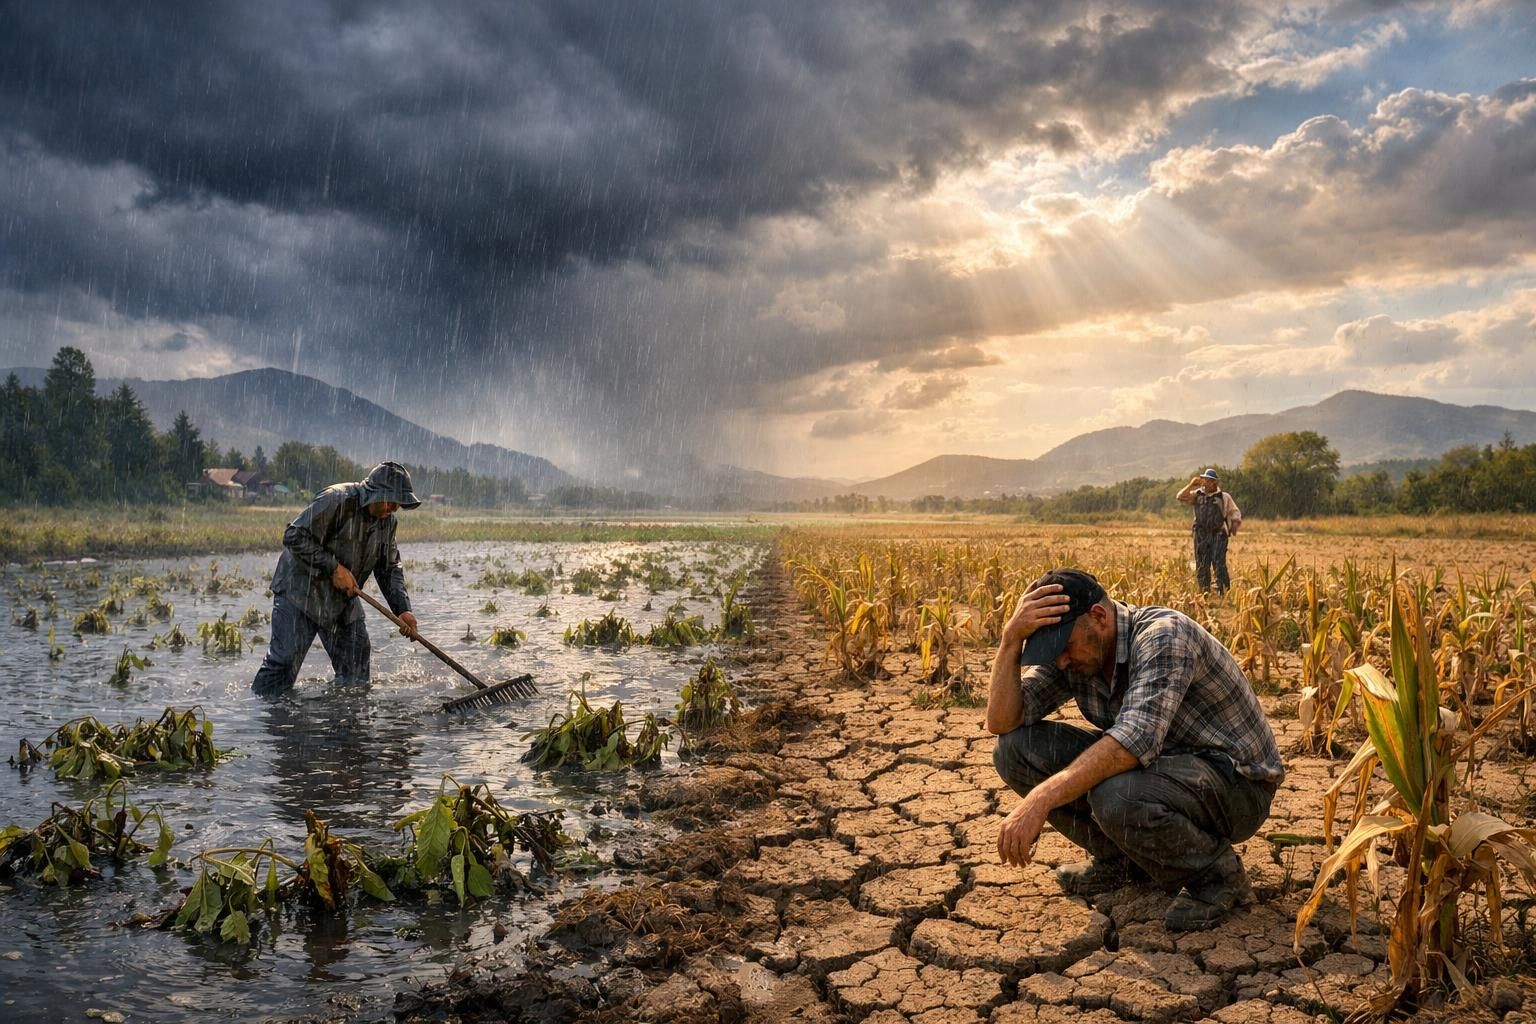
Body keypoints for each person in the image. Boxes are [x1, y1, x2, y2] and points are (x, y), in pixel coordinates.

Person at [986, 568, 1283, 931]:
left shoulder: (1164, 635)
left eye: (1063, 647)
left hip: (1235, 784)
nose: (1061, 660)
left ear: (1099, 617)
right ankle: (1121, 863)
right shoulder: (1079, 654)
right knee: (1014, 750)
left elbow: (1134, 741)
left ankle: (1218, 878)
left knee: (1117, 794)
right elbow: (1004, 722)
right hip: (1162, 771)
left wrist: (1041, 799)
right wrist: (1009, 641)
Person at [252, 461, 422, 695]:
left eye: (399, 503)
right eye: (391, 500)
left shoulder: (387, 524)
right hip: (300, 592)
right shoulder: (336, 500)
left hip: (342, 599)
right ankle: (260, 721)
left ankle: (343, 723)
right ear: (375, 494)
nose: (394, 508)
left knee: (356, 672)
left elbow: (389, 568)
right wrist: (332, 567)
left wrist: (403, 609)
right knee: (282, 665)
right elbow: (294, 535)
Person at [1176, 469, 1241, 594]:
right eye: (1205, 480)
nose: (1206, 482)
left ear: (1215, 482)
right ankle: (1204, 591)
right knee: (1202, 563)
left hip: (1219, 533)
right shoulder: (1197, 494)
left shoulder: (1224, 497)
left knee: (1218, 562)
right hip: (1201, 534)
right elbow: (1180, 497)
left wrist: (1235, 525)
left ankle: (1223, 592)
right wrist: (1191, 485)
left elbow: (1235, 512)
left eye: (1209, 480)